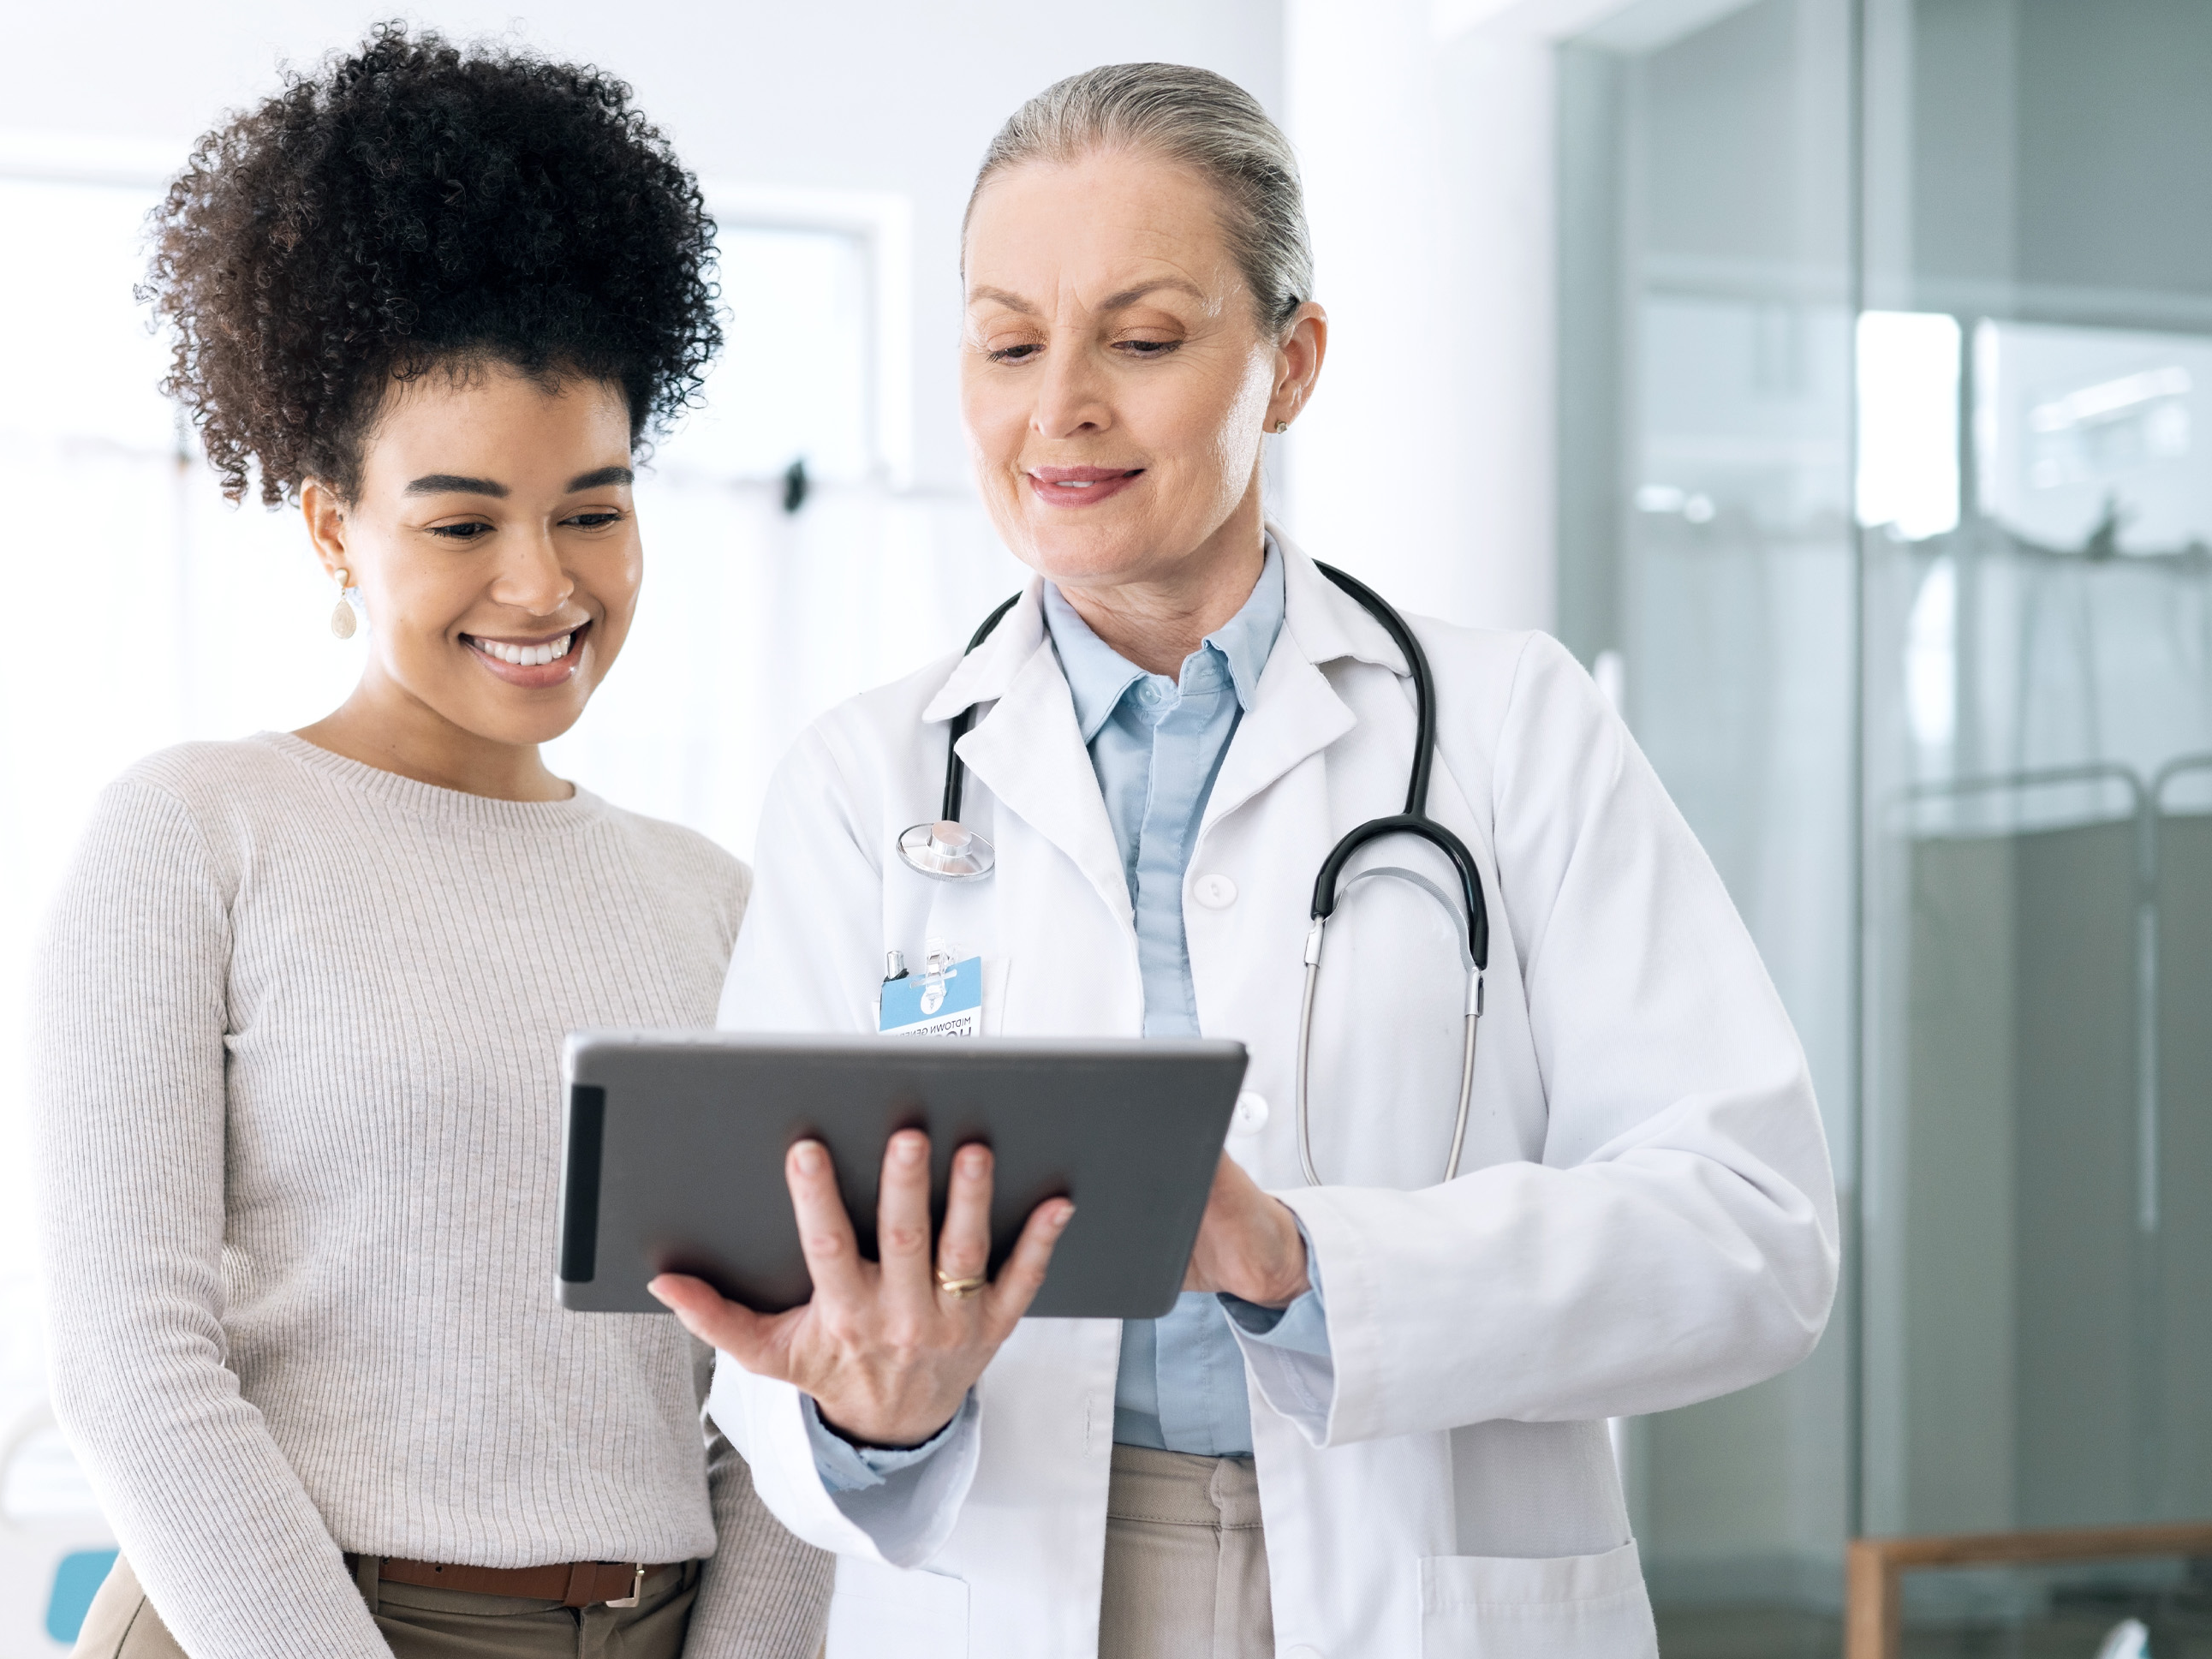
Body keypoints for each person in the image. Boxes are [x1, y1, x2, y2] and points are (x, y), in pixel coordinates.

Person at [649, 63, 1840, 1659]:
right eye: (1008, 342)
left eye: (1140, 341)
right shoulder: (866, 781)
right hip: (1016, 1584)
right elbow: (769, 1316)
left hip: (1415, 1575)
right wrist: (878, 1414)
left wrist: (1301, 1261)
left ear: (1290, 362)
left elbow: (1752, 1228)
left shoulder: (1513, 728)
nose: (1058, 403)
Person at [33, 27, 829, 1658]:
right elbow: (132, 1369)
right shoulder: (194, 839)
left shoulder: (720, 901)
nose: (543, 586)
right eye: (462, 522)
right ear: (335, 523)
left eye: (594, 509)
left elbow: (783, 1381)